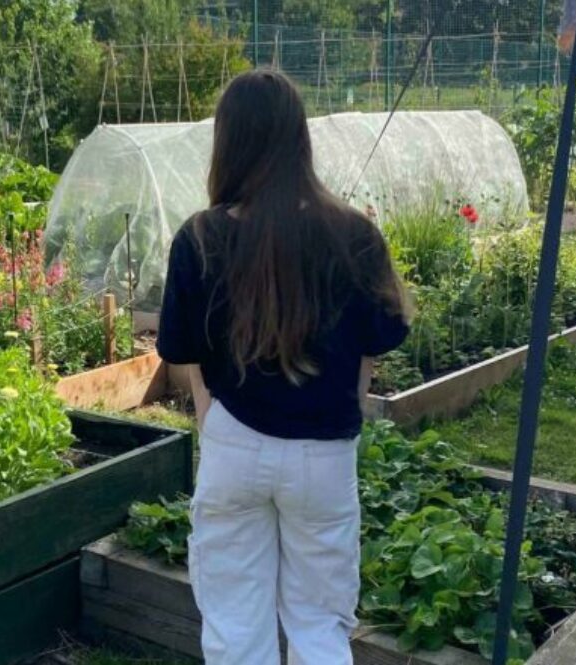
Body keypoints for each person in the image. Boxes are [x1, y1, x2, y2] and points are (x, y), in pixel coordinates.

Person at [156, 70, 409, 665]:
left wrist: (211, 419)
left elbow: (183, 354)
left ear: (228, 141)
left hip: (233, 442)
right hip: (324, 452)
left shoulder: (199, 237)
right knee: (320, 625)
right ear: (300, 137)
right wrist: (344, 407)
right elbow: (377, 342)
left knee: (235, 627)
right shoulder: (355, 234)